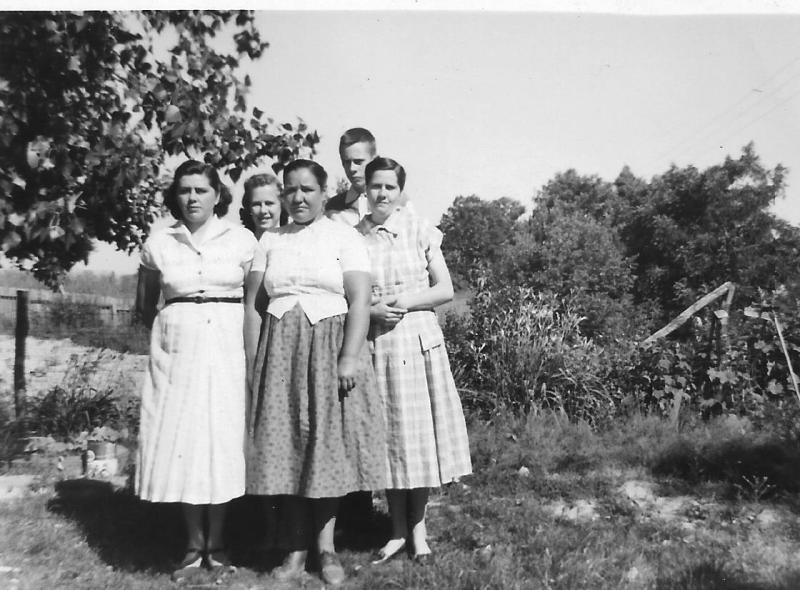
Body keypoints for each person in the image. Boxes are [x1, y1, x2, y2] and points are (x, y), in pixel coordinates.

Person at [244, 159, 385, 586]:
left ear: (324, 193)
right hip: (280, 351)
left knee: (325, 448)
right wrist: (254, 364)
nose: (298, 197)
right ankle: (294, 549)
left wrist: (349, 357)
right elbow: (253, 306)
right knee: (285, 448)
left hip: (328, 347)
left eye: (307, 189)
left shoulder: (344, 236)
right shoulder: (270, 240)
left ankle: (326, 551)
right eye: (291, 190)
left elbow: (359, 300)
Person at [135, 160, 257, 578]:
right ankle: (192, 543)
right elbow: (145, 304)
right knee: (184, 436)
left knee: (220, 438)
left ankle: (219, 542)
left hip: (226, 344)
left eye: (201, 190)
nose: (192, 198)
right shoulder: (159, 243)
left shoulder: (241, 240)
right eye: (184, 190)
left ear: (218, 195)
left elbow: (255, 301)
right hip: (177, 349)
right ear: (175, 195)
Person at [355, 157, 472, 564]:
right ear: (365, 189)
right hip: (378, 343)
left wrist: (404, 301)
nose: (382, 194)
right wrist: (371, 309)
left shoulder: (419, 229)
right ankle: (396, 531)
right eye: (376, 187)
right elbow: (350, 294)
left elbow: (444, 290)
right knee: (389, 438)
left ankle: (418, 532)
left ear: (400, 190)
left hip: (417, 339)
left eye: (389, 187)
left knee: (418, 439)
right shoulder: (356, 237)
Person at [325, 127, 377, 226]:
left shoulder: (391, 202)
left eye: (358, 162)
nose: (352, 168)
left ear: (374, 161)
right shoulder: (334, 206)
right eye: (346, 162)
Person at [239, 172, 288, 238]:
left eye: (269, 203)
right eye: (256, 204)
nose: (263, 210)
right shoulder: (240, 243)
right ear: (249, 207)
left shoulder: (294, 243)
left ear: (282, 204)